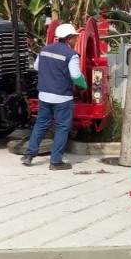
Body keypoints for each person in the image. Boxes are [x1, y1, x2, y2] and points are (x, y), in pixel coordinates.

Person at [21, 23, 88, 170]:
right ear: (69, 38)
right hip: (62, 98)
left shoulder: (44, 50)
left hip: (44, 95)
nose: (76, 40)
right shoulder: (72, 55)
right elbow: (76, 76)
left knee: (41, 124)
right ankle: (56, 162)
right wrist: (84, 86)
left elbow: (37, 67)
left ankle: (29, 155)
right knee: (62, 127)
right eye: (75, 38)